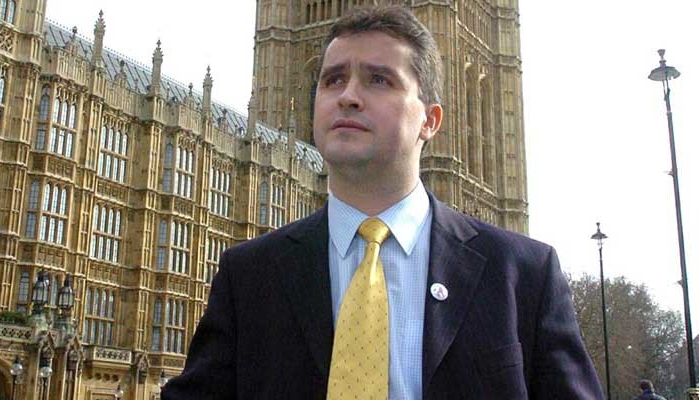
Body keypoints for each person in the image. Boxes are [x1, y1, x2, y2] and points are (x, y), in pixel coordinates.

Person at [162, 5, 603, 399]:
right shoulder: (249, 277)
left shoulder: (524, 274)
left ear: (430, 120)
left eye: (379, 79)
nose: (348, 95)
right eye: (333, 78)